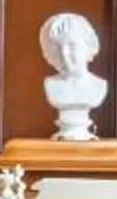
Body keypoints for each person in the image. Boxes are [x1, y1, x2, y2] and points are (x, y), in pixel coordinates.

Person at [40, 11, 107, 142]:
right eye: (58, 48)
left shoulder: (99, 86)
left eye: (72, 45)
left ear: (88, 45)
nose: (64, 54)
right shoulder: (51, 85)